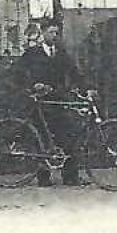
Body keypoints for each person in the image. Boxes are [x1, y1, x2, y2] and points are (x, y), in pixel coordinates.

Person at [14, 17, 87, 186]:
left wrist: (86, 88)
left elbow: (74, 73)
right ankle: (43, 177)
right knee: (41, 138)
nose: (54, 35)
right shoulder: (32, 53)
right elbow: (16, 74)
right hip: (39, 101)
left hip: (58, 100)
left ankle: (71, 177)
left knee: (67, 136)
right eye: (51, 32)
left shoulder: (60, 53)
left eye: (57, 32)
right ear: (43, 33)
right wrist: (32, 86)